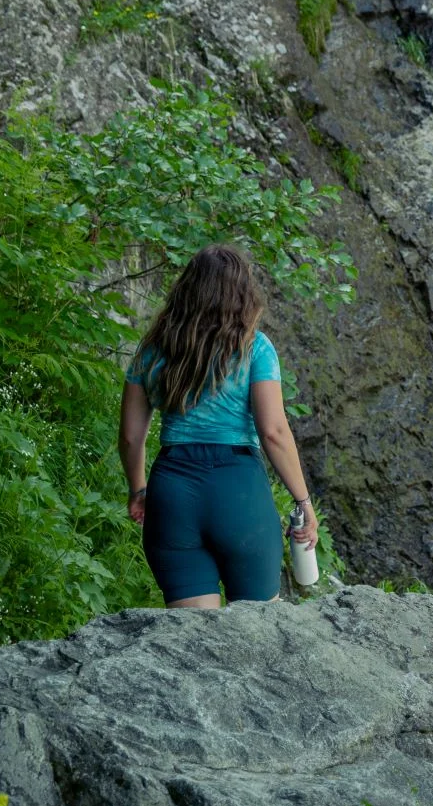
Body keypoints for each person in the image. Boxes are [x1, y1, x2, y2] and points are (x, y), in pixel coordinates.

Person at [117, 244, 318, 608]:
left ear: (186, 290)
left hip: (173, 494)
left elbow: (131, 438)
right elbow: (273, 431)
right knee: (258, 633)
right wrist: (303, 501)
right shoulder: (255, 348)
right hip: (239, 494)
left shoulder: (152, 350)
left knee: (193, 641)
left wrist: (138, 489)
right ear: (243, 295)